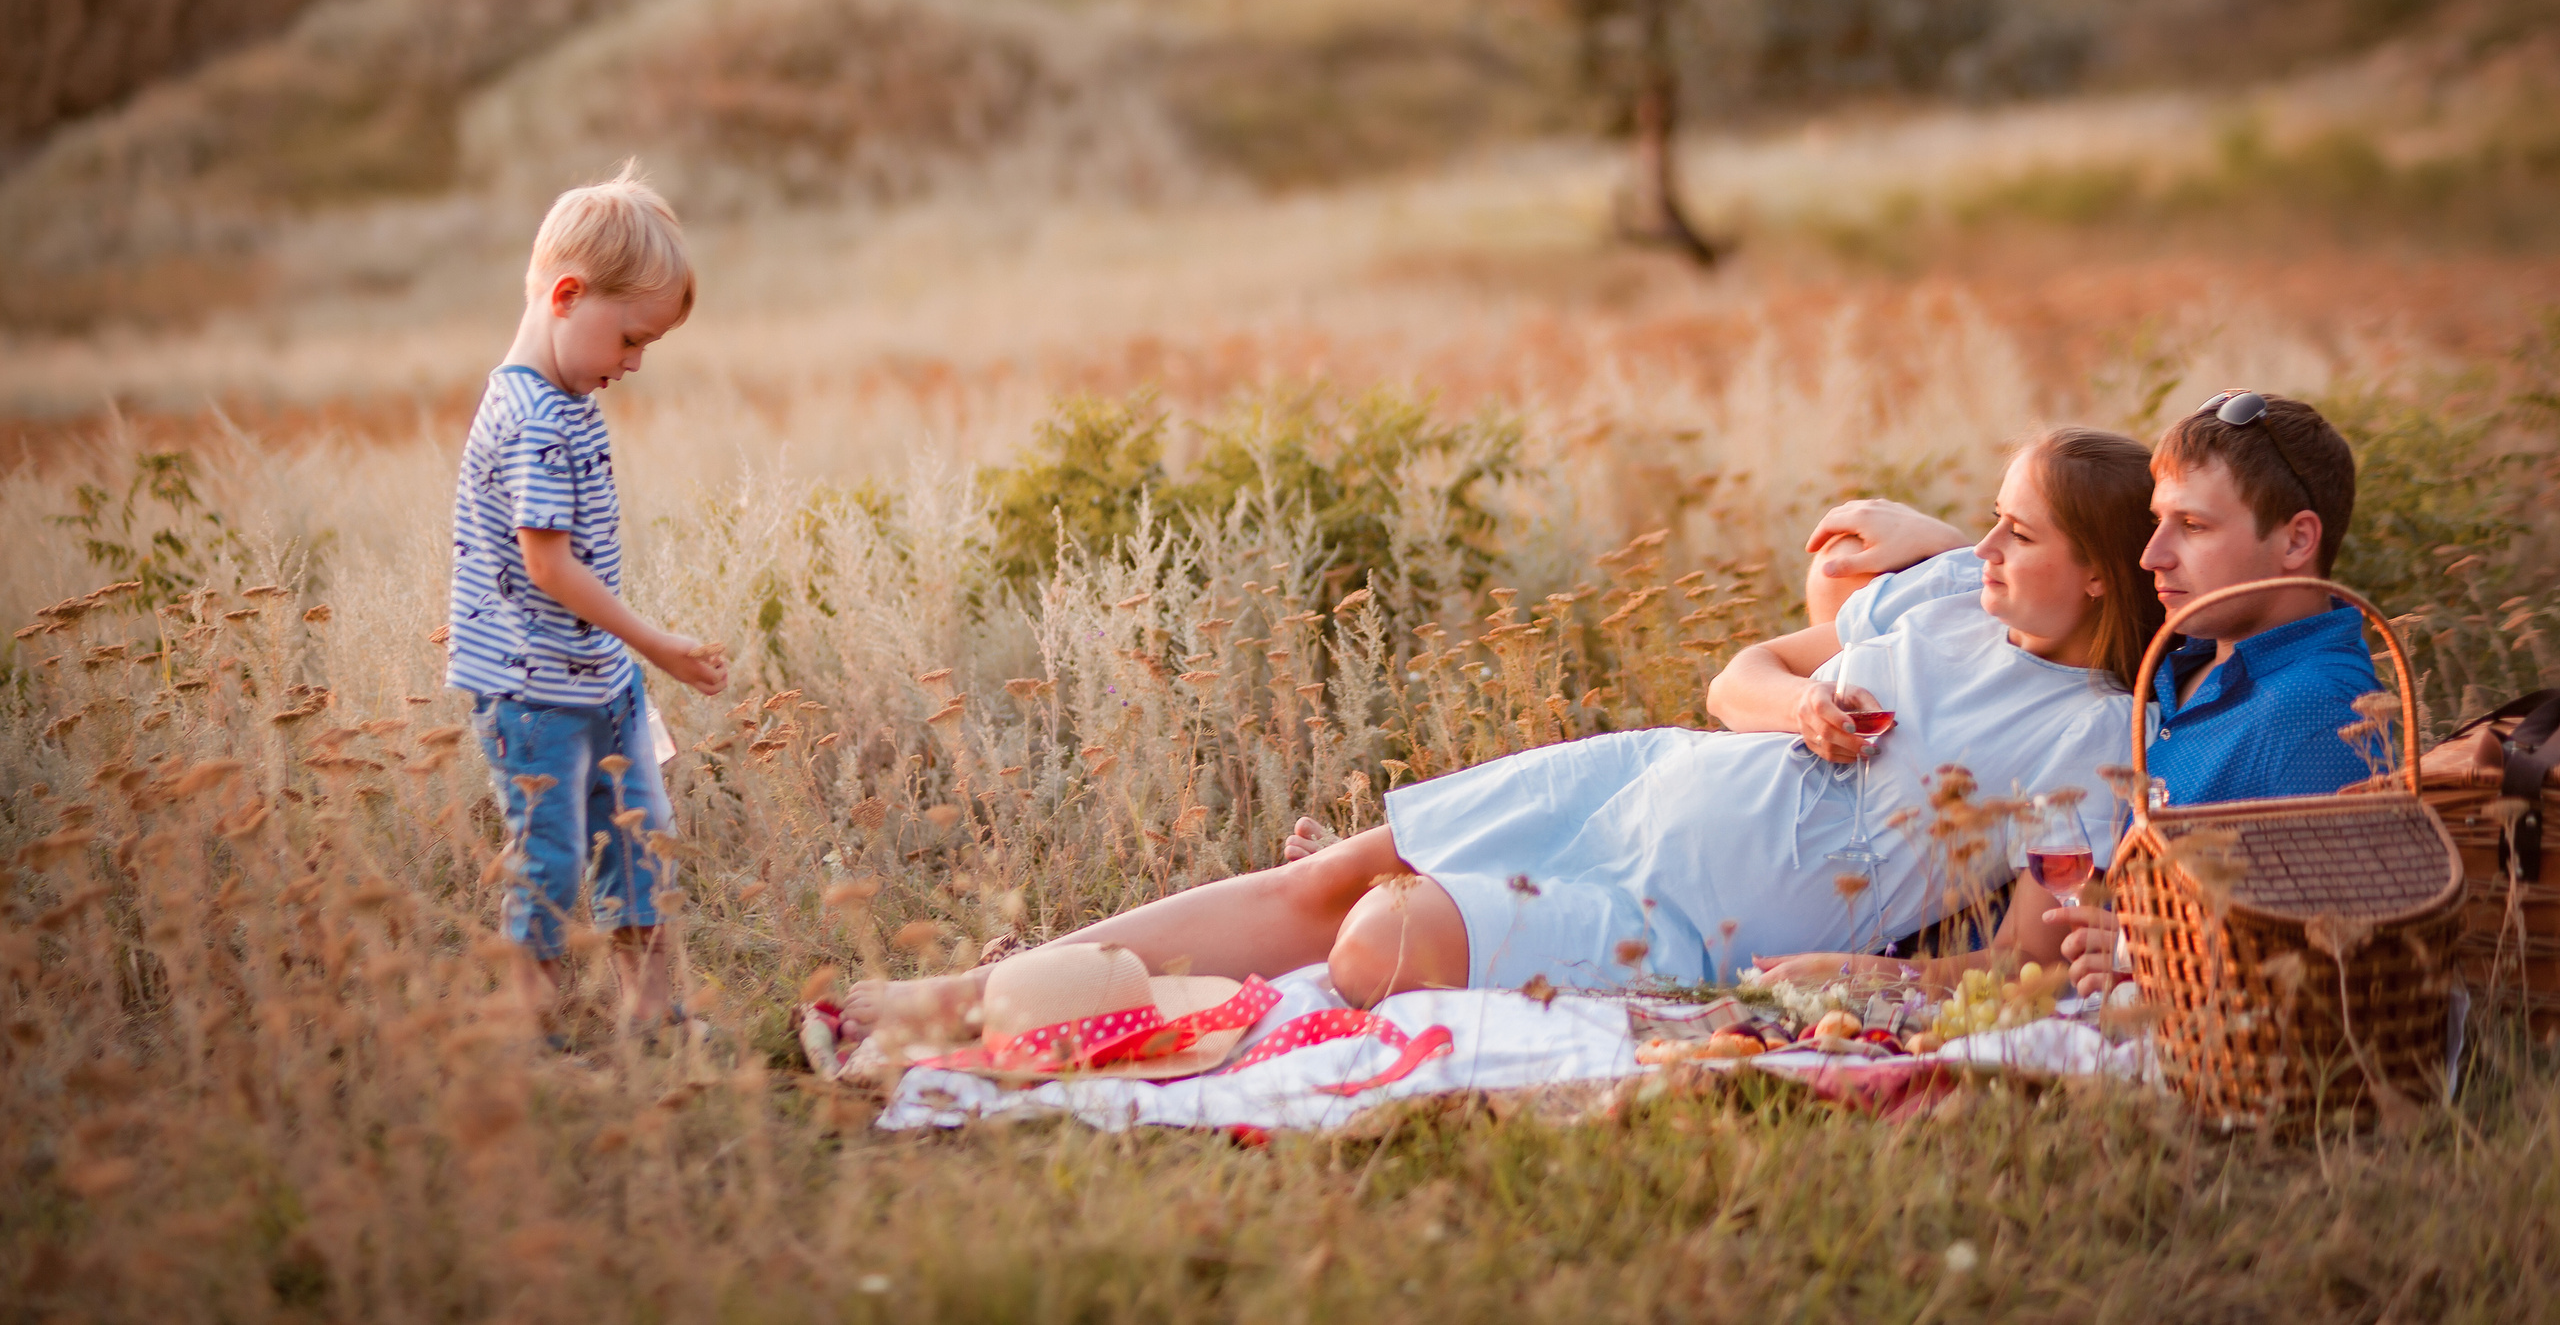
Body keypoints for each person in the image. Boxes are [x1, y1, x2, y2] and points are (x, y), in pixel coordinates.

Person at [832, 426, 2162, 1053]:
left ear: (2099, 572)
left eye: (2017, 533)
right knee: (1327, 878)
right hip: (1647, 775)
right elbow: (1737, 674)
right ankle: (950, 996)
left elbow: (2033, 945)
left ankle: (1083, 998)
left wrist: (1856, 987)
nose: (1980, 547)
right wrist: (1797, 707)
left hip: (1686, 921)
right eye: (1985, 520)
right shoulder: (1939, 596)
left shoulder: (2092, 740)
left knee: (1377, 936)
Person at [1799, 389, 2377, 993]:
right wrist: (1956, 548)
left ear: (2295, 541)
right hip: (1927, 947)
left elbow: (2337, 955)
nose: (2152, 556)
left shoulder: (2318, 713)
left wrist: (2142, 956)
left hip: (2001, 996)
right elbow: (2076, 583)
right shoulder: (2192, 644)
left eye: (2194, 526)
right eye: (2158, 522)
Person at [447, 168, 730, 1035]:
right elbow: (550, 569)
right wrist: (661, 645)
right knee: (552, 855)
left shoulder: (567, 400)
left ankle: (653, 1017)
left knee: (643, 843)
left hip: (598, 682)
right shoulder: (532, 415)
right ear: (567, 296)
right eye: (630, 339)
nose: (635, 363)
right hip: (534, 694)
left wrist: (626, 665)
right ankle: (527, 1024)